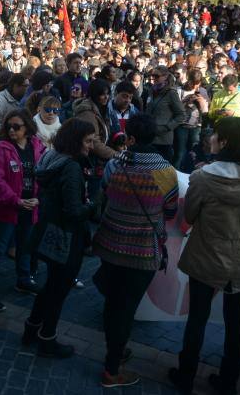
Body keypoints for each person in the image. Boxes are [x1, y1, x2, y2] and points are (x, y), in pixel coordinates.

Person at [168, 117, 240, 394]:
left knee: (197, 318)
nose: (210, 138)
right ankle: (229, 382)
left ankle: (186, 376)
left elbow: (190, 214)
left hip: (206, 255)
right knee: (235, 323)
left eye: (215, 135)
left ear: (224, 142)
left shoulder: (203, 176)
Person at [93, 113, 178, 388]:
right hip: (142, 250)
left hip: (110, 242)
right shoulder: (165, 170)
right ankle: (112, 368)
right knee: (127, 308)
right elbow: (171, 209)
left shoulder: (115, 163)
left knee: (113, 302)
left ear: (130, 137)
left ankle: (113, 350)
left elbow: (105, 191)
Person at [25, 119, 96, 358]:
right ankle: (47, 338)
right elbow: (74, 210)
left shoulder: (51, 158)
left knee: (51, 286)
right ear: (75, 141)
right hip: (66, 236)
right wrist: (92, 206)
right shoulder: (71, 167)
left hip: (48, 229)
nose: (91, 145)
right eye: (88, 141)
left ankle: (31, 329)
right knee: (58, 290)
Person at [0, 109, 45, 312]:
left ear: (27, 128)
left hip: (29, 206)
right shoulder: (0, 149)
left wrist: (38, 198)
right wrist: (15, 200)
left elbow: (44, 173)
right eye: (9, 126)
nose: (11, 130)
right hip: (6, 208)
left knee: (25, 246)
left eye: (16, 126)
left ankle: (23, 279)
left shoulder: (36, 145)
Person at [144, 66, 185, 162]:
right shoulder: (151, 91)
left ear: (165, 76)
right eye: (152, 76)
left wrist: (167, 127)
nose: (153, 78)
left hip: (163, 140)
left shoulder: (171, 93)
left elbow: (181, 115)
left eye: (156, 76)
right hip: (149, 137)